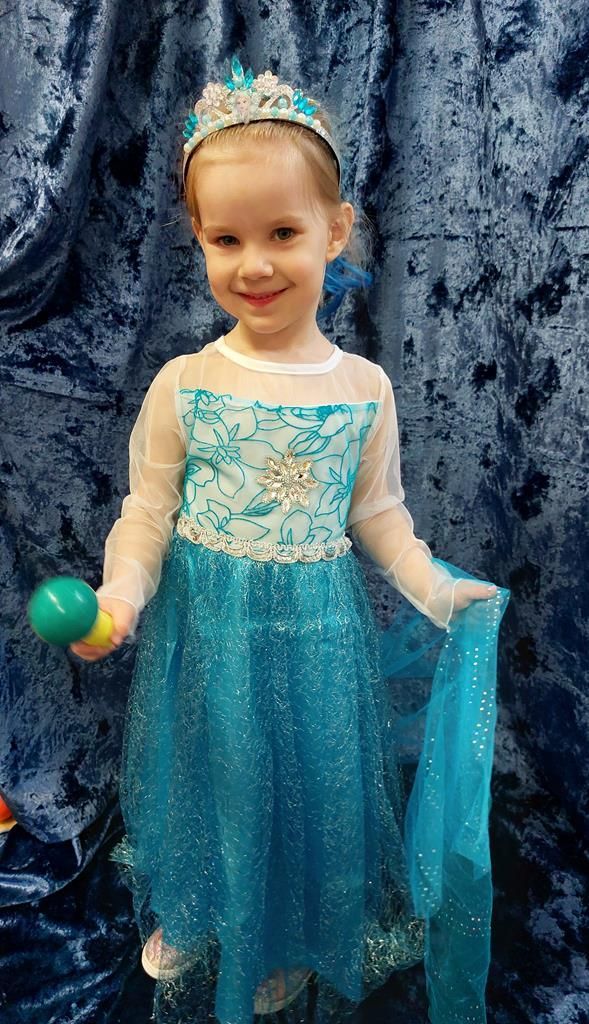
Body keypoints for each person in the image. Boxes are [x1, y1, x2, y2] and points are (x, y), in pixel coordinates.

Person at [71, 57, 508, 1024]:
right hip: (207, 635)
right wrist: (121, 597)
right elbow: (145, 511)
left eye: (282, 233)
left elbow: (378, 515)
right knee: (213, 775)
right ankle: (203, 905)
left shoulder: (362, 390)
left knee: (301, 792)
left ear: (334, 230)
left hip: (311, 642)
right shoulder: (185, 383)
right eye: (226, 239)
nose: (255, 265)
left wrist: (437, 590)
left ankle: (287, 934)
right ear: (197, 238)